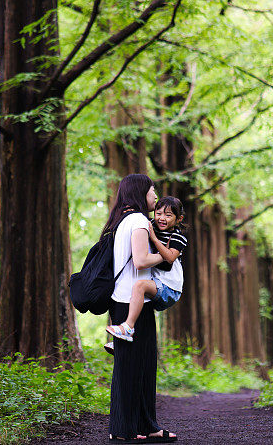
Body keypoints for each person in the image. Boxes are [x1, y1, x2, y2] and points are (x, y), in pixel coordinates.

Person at [105, 174, 177, 443]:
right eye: (152, 190)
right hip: (130, 302)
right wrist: (168, 257)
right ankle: (124, 429)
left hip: (129, 301)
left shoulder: (126, 220)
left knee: (141, 367)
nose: (155, 195)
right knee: (132, 368)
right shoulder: (137, 221)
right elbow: (140, 260)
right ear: (139, 193)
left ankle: (145, 426)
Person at [106, 196, 186, 342]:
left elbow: (170, 257)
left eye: (168, 215)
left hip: (170, 287)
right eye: (158, 213)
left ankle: (128, 327)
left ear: (179, 219)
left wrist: (154, 239)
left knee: (139, 286)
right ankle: (120, 340)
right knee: (130, 293)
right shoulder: (149, 224)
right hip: (157, 282)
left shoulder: (177, 236)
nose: (162, 218)